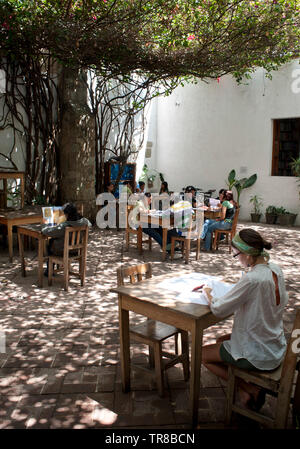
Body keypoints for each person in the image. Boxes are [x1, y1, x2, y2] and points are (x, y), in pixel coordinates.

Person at [201, 228, 289, 410]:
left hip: (259, 353)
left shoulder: (252, 279)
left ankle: (248, 388)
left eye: (236, 255)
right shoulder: (275, 269)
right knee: (221, 340)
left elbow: (218, 309)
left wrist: (208, 292)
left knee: (202, 355)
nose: (237, 259)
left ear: (248, 255)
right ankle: (243, 390)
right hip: (274, 343)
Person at [42, 203, 92, 276]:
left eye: (65, 214)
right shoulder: (85, 222)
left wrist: (44, 226)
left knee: (50, 243)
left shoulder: (65, 226)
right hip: (78, 250)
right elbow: (90, 226)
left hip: (64, 251)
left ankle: (49, 270)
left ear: (68, 214)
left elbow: (47, 232)